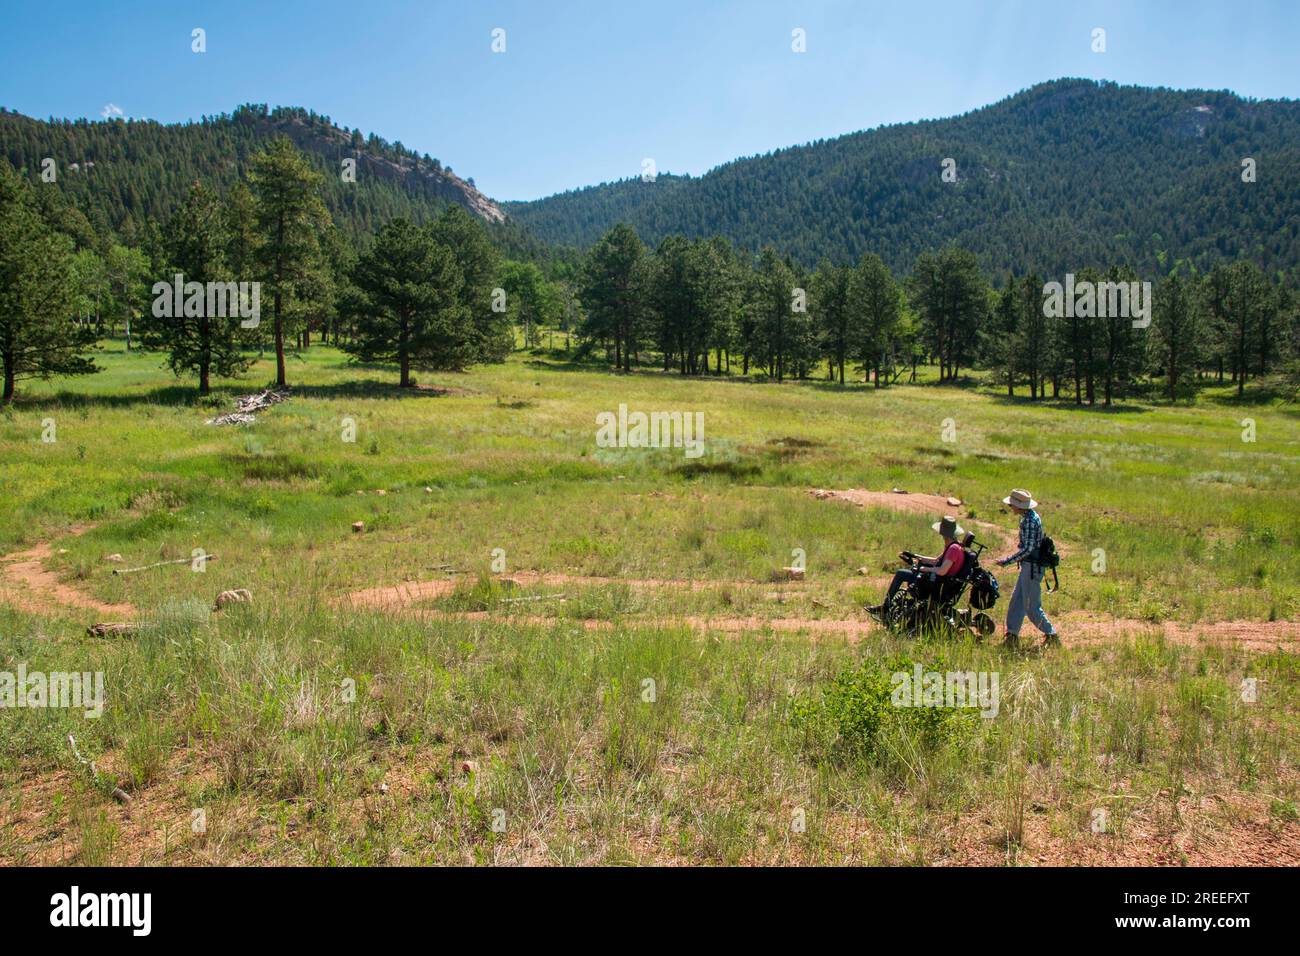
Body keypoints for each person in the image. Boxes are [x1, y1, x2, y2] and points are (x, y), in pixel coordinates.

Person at [995, 488, 1060, 649]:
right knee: (1017, 601)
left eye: (1012, 505)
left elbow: (1028, 548)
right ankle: (1012, 634)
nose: (1011, 507)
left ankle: (1051, 634)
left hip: (1032, 567)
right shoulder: (1029, 517)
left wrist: (1007, 561)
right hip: (1029, 566)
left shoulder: (1030, 521)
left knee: (1031, 606)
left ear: (1019, 506)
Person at [869, 515, 966, 617]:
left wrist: (925, 569)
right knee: (910, 572)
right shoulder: (953, 546)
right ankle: (892, 607)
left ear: (943, 533)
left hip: (938, 584)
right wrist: (915, 556)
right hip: (939, 581)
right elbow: (936, 561)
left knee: (901, 574)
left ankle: (885, 607)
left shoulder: (953, 549)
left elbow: (942, 570)